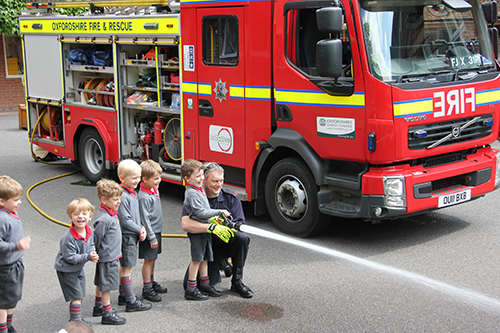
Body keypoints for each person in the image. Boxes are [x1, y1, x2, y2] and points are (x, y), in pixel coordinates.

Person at [181, 163, 253, 298]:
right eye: (215, 181)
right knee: (190, 284)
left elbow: (240, 226)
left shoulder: (231, 198)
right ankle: (221, 264)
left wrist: (229, 226)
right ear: (204, 180)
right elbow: (186, 224)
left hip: (226, 244)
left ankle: (237, 281)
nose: (218, 184)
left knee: (243, 238)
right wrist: (213, 227)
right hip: (207, 246)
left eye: (221, 181)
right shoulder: (195, 195)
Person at [180, 159, 231, 301]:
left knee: (205, 259)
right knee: (197, 259)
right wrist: (218, 212)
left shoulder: (198, 188)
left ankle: (205, 284)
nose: (201, 178)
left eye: (202, 175)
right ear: (187, 178)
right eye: (197, 176)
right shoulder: (191, 193)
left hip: (205, 230)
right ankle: (191, 289)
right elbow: (201, 212)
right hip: (198, 233)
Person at [54, 198, 99, 326]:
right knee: (76, 296)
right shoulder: (68, 238)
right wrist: (88, 257)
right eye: (76, 214)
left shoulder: (89, 231)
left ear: (90, 217)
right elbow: (71, 258)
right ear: (70, 218)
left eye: (84, 214)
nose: (80, 217)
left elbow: (91, 244)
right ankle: (75, 321)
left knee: (80, 293)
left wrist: (92, 253)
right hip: (66, 270)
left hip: (78, 268)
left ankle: (77, 318)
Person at [116, 160, 151, 312]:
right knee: (127, 269)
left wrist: (140, 228)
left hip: (131, 235)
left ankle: (124, 295)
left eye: (138, 177)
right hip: (127, 237)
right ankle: (131, 302)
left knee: (125, 267)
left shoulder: (131, 192)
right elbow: (125, 220)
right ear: (122, 178)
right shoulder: (124, 196)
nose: (137, 181)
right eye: (133, 178)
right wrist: (139, 229)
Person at [92, 179, 126, 325]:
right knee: (107, 285)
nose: (118, 202)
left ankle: (98, 306)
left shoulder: (111, 213)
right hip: (108, 257)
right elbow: (97, 238)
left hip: (110, 256)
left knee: (102, 282)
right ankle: (107, 312)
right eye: (115, 200)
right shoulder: (104, 219)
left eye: (119, 199)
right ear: (103, 200)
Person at [0, 176, 31, 333]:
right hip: (6, 267)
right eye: (16, 200)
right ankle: (3, 328)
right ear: (1, 201)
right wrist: (16, 246)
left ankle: (8, 325)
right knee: (4, 301)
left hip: (15, 264)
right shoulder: (1, 218)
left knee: (12, 297)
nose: (19, 202)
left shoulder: (10, 211)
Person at [138, 160, 167, 302]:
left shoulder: (153, 189)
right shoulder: (143, 197)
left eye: (159, 177)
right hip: (151, 233)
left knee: (153, 258)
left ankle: (151, 280)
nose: (159, 181)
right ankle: (147, 288)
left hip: (156, 231)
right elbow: (145, 219)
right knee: (148, 260)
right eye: (155, 179)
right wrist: (151, 237)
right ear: (145, 179)